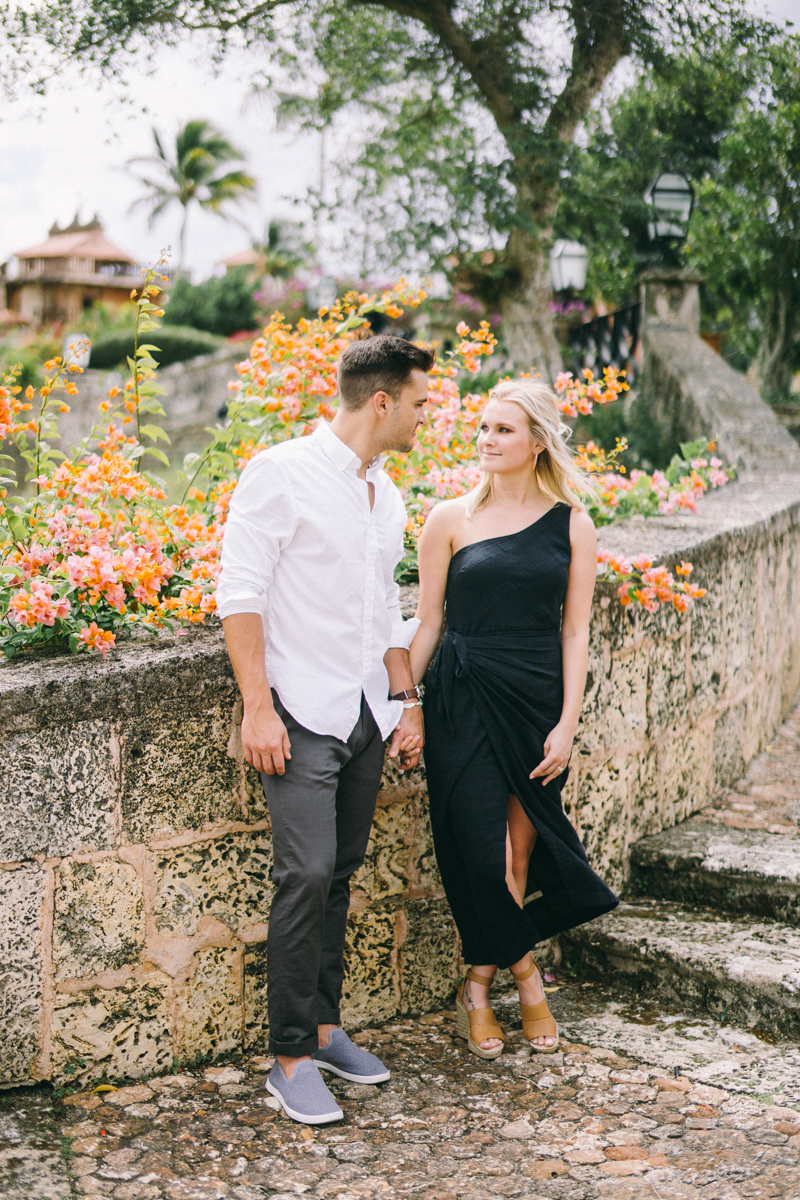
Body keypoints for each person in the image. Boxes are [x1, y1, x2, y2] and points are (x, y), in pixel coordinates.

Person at [217, 335, 432, 1124]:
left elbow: (382, 611)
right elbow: (240, 591)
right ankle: (288, 1059)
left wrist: (406, 702)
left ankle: (326, 1026)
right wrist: (259, 705)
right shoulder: (281, 472)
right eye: (418, 404)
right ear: (382, 402)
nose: (424, 417)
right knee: (304, 876)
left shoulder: (387, 493)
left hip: (367, 712)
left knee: (339, 875)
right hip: (301, 711)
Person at [409, 377, 618, 1060]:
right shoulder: (448, 519)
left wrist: (566, 724)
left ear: (537, 442)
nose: (487, 440)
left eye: (503, 430)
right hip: (460, 697)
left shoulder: (573, 524)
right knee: (477, 848)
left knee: (521, 851)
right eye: (483, 428)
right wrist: (404, 704)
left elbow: (576, 633)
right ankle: (525, 980)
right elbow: (429, 622)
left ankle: (476, 987)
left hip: (534, 696)